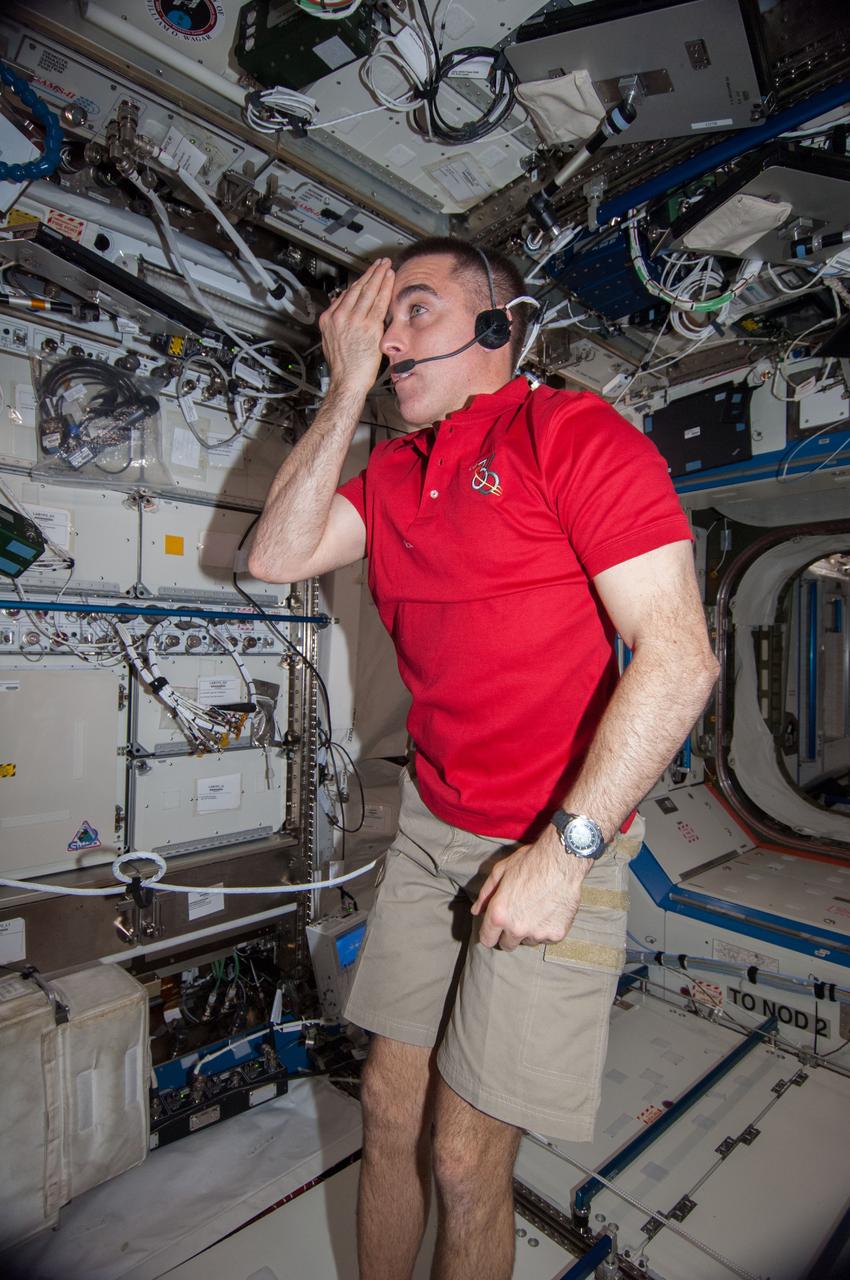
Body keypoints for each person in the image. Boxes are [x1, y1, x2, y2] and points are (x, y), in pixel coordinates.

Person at [249, 238, 719, 1280]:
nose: (389, 333)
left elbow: (680, 656)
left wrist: (567, 849)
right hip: (433, 824)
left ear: (498, 327)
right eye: (382, 317)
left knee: (465, 1162)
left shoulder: (571, 433)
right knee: (386, 1102)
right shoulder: (389, 473)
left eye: (414, 310)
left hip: (553, 830)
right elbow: (274, 554)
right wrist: (346, 384)